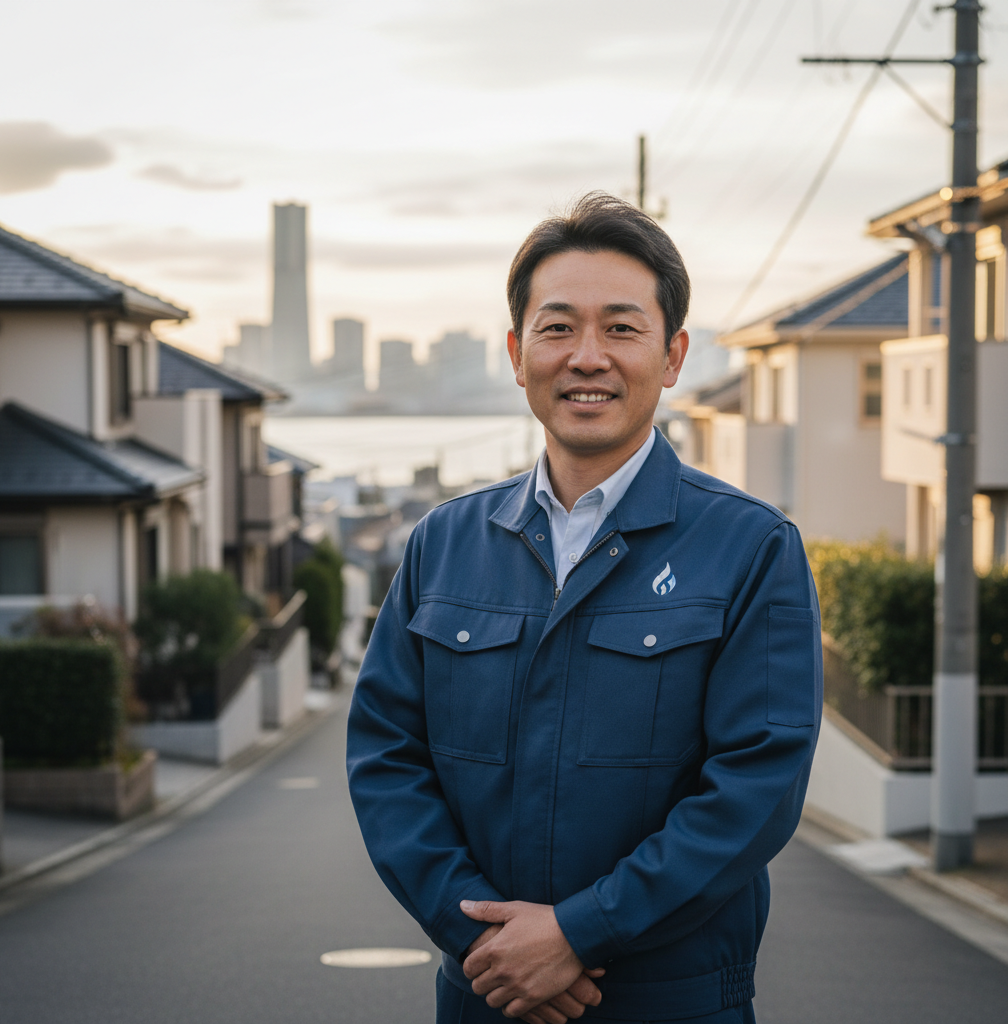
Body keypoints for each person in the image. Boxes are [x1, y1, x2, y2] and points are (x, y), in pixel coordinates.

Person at [347, 192, 822, 1024]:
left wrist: (579, 932)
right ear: (516, 350)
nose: (587, 356)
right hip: (482, 994)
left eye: (623, 329)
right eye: (558, 327)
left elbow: (757, 788)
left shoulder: (750, 549)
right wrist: (486, 939)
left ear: (672, 357)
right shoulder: (444, 545)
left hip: (673, 1005)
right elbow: (387, 757)